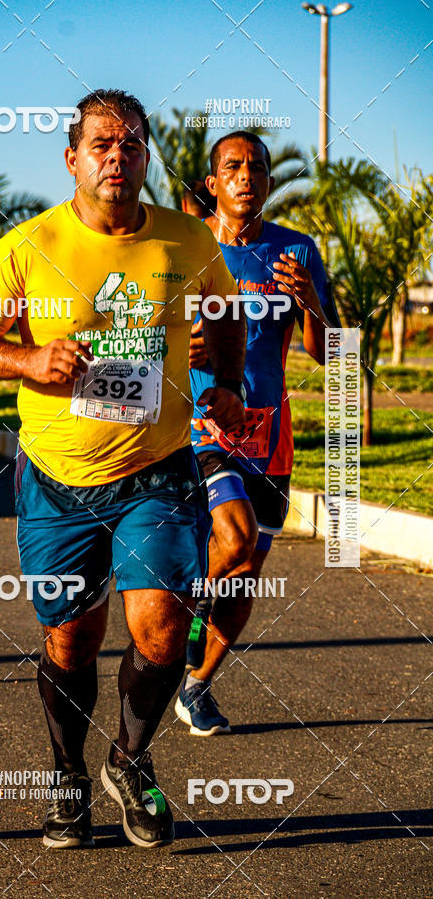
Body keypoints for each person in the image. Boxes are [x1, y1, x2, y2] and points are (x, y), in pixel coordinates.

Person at [0, 90, 246, 849]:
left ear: (146, 157)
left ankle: (130, 762)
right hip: (57, 479)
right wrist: (27, 359)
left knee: (162, 627)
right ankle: (66, 774)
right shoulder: (31, 246)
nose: (118, 157)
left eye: (133, 144)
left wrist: (230, 386)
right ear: (72, 158)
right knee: (71, 643)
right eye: (103, 145)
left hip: (158, 469)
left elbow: (228, 315)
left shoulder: (187, 240)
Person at [176, 131, 338, 736]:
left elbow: (329, 355)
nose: (246, 176)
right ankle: (190, 616)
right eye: (232, 167)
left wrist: (312, 304)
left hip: (270, 432)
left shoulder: (296, 251)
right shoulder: (187, 248)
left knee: (246, 573)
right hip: (203, 422)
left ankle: (196, 686)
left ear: (270, 182)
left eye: (258, 168)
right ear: (213, 184)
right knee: (235, 538)